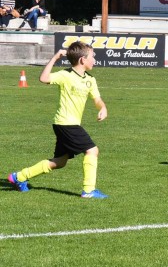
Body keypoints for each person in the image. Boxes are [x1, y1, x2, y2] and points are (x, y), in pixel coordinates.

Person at [7, 41, 109, 198]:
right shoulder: (65, 75)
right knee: (92, 150)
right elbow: (44, 78)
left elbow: (97, 99)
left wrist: (102, 107)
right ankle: (89, 190)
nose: (95, 60)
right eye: (92, 56)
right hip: (66, 123)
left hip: (66, 125)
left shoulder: (90, 79)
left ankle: (19, 177)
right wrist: (55, 57)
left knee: (60, 162)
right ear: (83, 59)